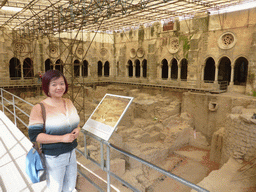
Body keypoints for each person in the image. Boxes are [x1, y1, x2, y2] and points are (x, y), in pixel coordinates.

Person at [28, 70, 80, 192]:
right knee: (56, 188)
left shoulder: (68, 102)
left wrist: (77, 130)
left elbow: (75, 124)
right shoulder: (39, 108)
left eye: (62, 83)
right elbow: (35, 136)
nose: (59, 87)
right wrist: (61, 138)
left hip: (71, 153)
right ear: (47, 86)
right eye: (54, 84)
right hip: (54, 157)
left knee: (70, 187)